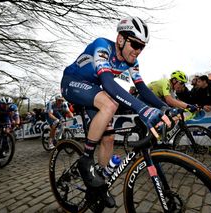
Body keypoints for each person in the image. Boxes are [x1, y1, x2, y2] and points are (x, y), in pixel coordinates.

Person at [60, 16, 171, 208]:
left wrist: (166, 108)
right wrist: (142, 109)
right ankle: (86, 160)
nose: (137, 51)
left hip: (93, 90)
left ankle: (99, 183)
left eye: (141, 47)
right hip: (72, 82)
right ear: (121, 39)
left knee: (109, 138)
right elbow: (108, 84)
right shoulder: (102, 46)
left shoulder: (132, 62)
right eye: (135, 44)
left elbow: (143, 89)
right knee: (110, 104)